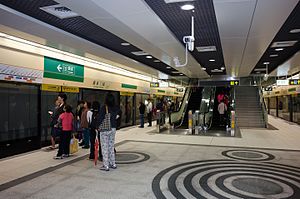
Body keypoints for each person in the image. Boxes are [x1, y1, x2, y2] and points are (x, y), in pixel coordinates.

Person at [98, 93, 120, 171]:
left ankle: (106, 165)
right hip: (113, 129)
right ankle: (113, 163)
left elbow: (100, 119)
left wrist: (98, 127)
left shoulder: (104, 108)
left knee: (104, 147)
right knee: (111, 146)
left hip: (105, 129)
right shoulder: (116, 108)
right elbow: (118, 117)